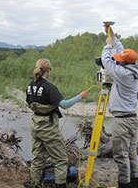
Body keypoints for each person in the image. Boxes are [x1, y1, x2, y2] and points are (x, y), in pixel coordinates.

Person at [24, 58, 89, 188]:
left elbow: (29, 103)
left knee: (37, 157)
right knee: (60, 160)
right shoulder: (50, 88)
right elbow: (64, 105)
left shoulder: (30, 85)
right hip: (48, 127)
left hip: (35, 125)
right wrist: (79, 96)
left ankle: (34, 183)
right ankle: (61, 185)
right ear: (48, 70)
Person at [101, 27, 138, 188]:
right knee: (131, 153)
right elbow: (121, 52)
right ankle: (135, 183)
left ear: (124, 63)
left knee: (121, 155)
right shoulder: (132, 70)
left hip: (122, 122)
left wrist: (107, 45)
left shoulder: (123, 74)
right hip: (131, 119)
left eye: (120, 60)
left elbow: (107, 61)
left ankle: (124, 185)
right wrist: (113, 37)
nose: (118, 60)